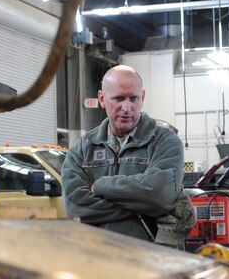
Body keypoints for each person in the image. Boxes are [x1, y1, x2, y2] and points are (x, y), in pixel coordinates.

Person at [62, 65, 194, 247]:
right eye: (118, 98)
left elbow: (159, 195)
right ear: (102, 98)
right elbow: (75, 207)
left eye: (134, 98)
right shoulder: (82, 149)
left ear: (143, 97)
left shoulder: (165, 141)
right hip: (99, 258)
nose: (127, 107)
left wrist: (101, 186)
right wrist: (145, 207)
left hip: (155, 259)